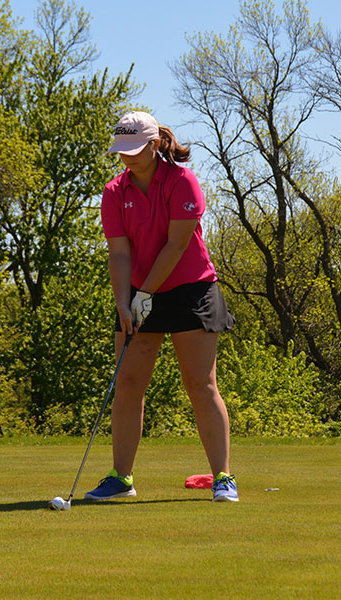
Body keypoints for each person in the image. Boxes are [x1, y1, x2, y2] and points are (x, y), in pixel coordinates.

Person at [85, 111, 238, 503]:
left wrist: (145, 293)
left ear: (155, 146)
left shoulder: (182, 180)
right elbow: (119, 252)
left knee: (200, 383)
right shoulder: (114, 192)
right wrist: (124, 302)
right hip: (138, 293)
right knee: (129, 384)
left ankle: (222, 477)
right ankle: (121, 478)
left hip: (191, 288)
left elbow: (178, 244)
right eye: (121, 151)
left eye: (134, 150)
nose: (127, 158)